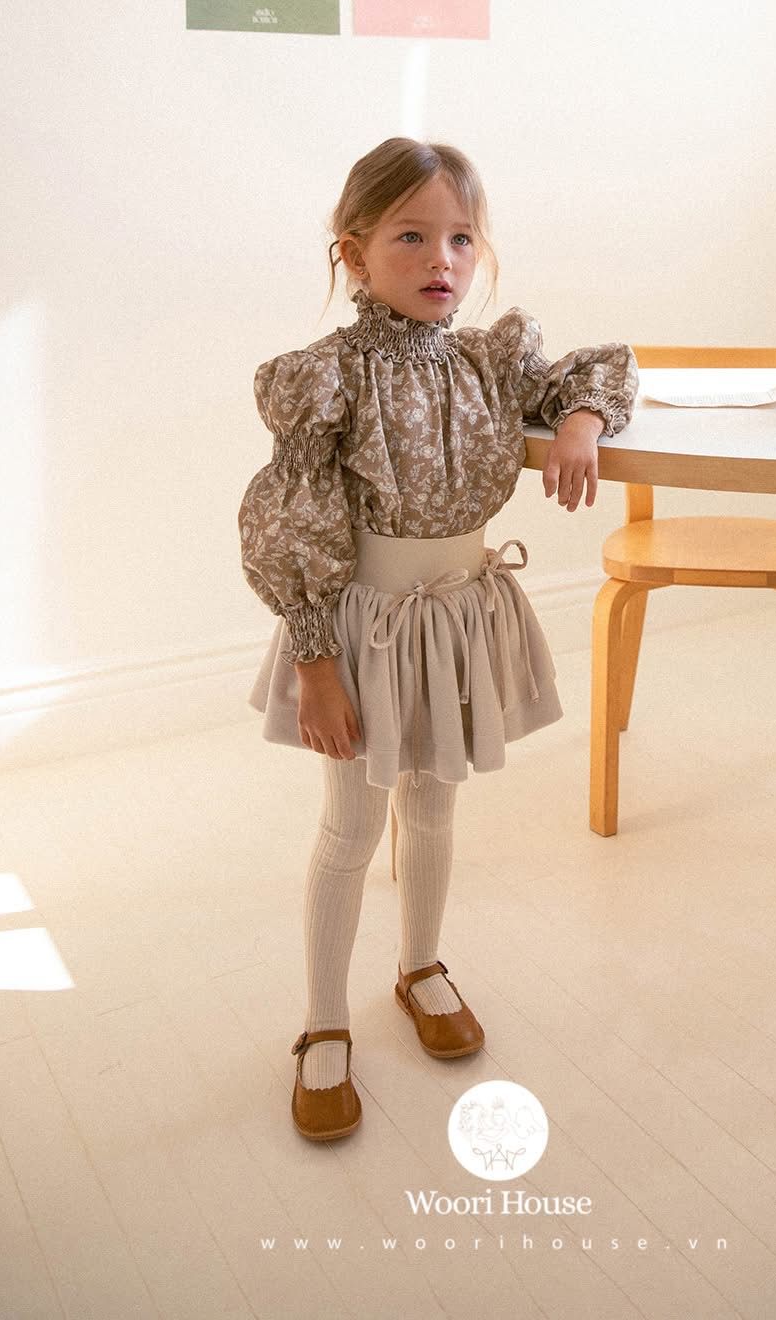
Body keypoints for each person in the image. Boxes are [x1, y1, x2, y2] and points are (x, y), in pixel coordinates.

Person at [238, 136, 638, 1142]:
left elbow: (594, 368)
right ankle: (323, 1021)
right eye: (410, 237)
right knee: (351, 827)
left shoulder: (486, 362)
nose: (441, 260)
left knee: (433, 804)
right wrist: (316, 663)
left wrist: (581, 421)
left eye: (461, 238)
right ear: (353, 250)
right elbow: (292, 520)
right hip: (362, 629)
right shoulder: (328, 379)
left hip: (456, 621)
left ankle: (419, 966)